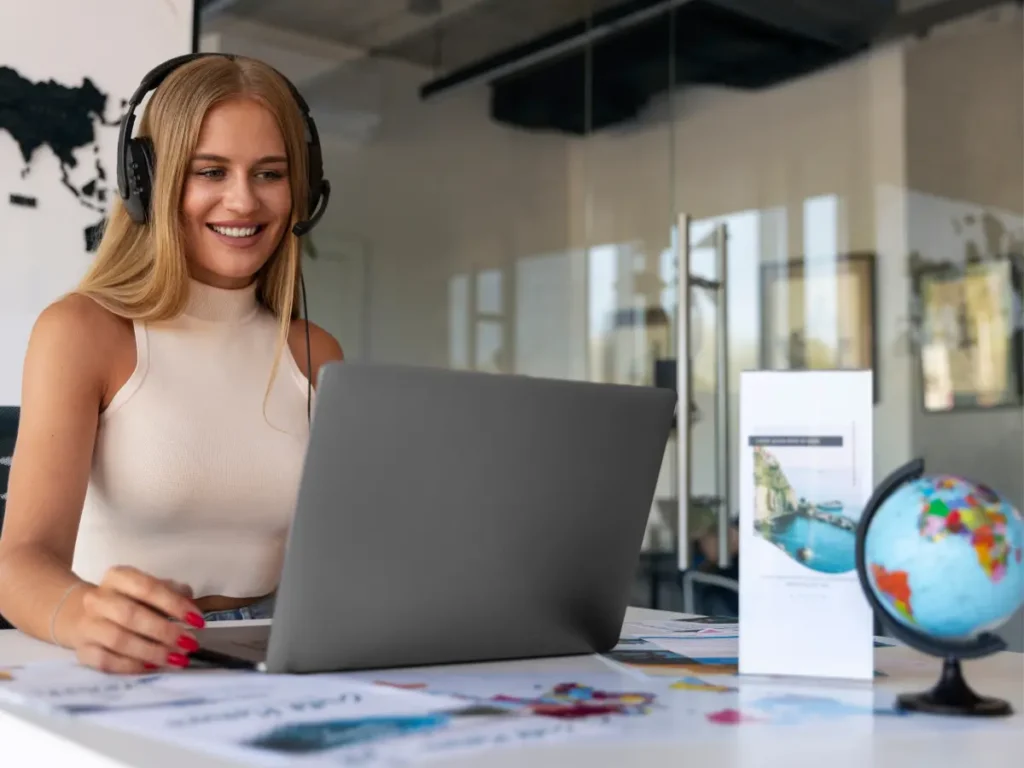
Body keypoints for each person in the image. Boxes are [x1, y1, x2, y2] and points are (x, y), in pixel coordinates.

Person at [0, 54, 343, 674]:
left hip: (269, 654)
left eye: (270, 173)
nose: (243, 200)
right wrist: (82, 616)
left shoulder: (315, 354)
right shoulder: (83, 332)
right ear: (148, 181)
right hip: (121, 656)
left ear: (303, 193)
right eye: (210, 171)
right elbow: (20, 561)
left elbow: (342, 551)